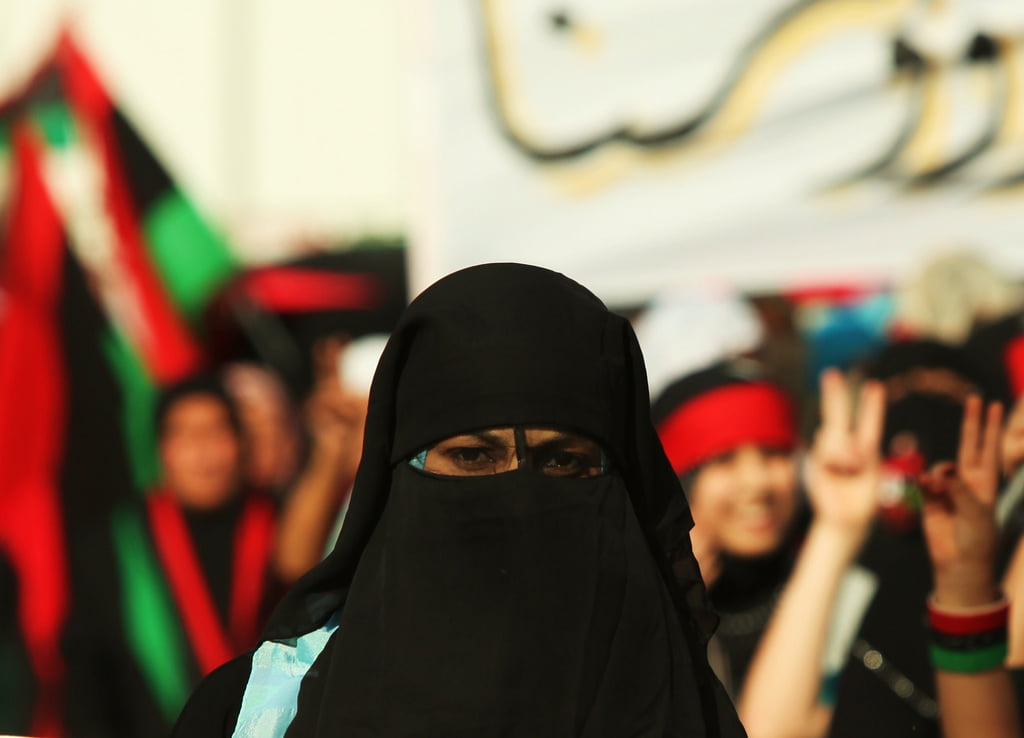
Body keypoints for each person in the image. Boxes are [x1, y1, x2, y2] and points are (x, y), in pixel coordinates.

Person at [172, 263, 745, 737]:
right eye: (473, 458)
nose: (519, 493)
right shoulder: (260, 713)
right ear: (399, 474)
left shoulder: (682, 706)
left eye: (564, 462)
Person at [63, 375, 278, 737]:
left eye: (216, 431)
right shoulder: (116, 544)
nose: (202, 450)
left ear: (241, 442)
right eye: (184, 435)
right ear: (160, 450)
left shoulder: (279, 528)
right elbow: (87, 675)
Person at [650, 362, 804, 698]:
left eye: (773, 452)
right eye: (723, 459)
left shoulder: (839, 581)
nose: (757, 483)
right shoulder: (634, 609)